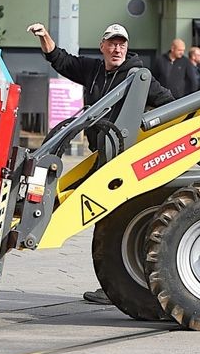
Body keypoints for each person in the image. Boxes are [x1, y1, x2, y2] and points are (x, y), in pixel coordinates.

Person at [26, 21, 174, 306]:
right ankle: (118, 284)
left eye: (122, 44)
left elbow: (167, 102)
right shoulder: (93, 70)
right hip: (100, 156)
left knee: (111, 221)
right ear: (102, 46)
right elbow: (60, 59)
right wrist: (45, 36)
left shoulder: (137, 75)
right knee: (102, 219)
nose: (117, 48)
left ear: (126, 48)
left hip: (123, 160)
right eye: (112, 43)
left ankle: (121, 285)